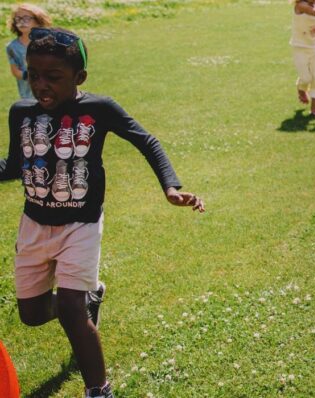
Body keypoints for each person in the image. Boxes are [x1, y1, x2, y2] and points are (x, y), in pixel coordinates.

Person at [1, 27, 205, 398]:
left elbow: (147, 141)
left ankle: (99, 390)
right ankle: (91, 298)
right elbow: (16, 165)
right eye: (34, 75)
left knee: (71, 311)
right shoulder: (21, 112)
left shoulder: (98, 109)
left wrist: (171, 187)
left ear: (79, 78)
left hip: (80, 224)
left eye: (54, 77)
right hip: (33, 224)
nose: (41, 85)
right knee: (30, 315)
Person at [5, 3, 50, 100]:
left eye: (26, 18)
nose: (22, 22)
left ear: (38, 21)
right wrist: (33, 77)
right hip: (28, 94)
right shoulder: (12, 47)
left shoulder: (47, 42)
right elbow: (15, 71)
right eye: (18, 19)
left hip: (49, 90)